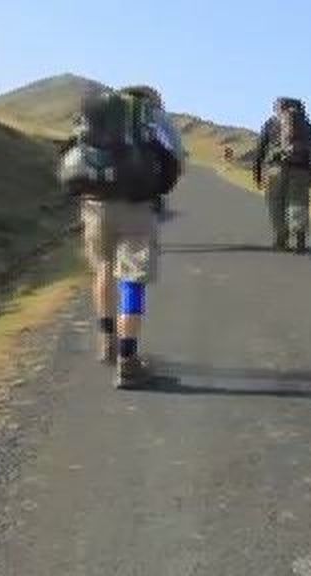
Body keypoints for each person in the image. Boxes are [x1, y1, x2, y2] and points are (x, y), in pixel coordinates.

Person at [58, 85, 184, 388]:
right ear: (152, 100)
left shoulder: (101, 113)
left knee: (103, 268)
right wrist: (158, 190)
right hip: (137, 206)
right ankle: (128, 361)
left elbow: (70, 150)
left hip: (95, 204)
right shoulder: (152, 117)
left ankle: (107, 340)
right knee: (132, 278)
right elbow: (174, 159)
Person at [253, 97, 311, 253]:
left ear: (279, 108)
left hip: (275, 169)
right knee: (298, 203)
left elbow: (260, 148)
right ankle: (299, 240)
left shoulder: (272, 123)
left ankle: (281, 239)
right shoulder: (307, 126)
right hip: (301, 170)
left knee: (276, 204)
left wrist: (257, 172)